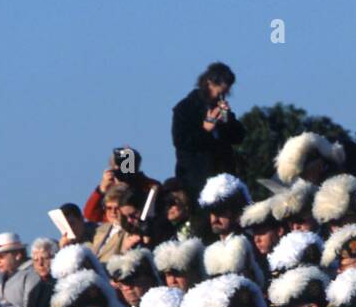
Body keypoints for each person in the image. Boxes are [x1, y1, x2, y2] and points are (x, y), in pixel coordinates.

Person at [171, 61, 245, 197]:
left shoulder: (221, 108)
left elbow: (239, 137)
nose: (221, 96)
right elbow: (180, 141)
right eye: (218, 92)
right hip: (195, 178)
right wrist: (205, 130)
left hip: (223, 177)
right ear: (209, 83)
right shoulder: (185, 108)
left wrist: (227, 120)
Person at [83, 147, 161, 226]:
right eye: (120, 168)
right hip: (114, 234)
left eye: (129, 166)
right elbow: (90, 215)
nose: (125, 171)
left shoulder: (149, 186)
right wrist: (101, 190)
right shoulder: (109, 187)